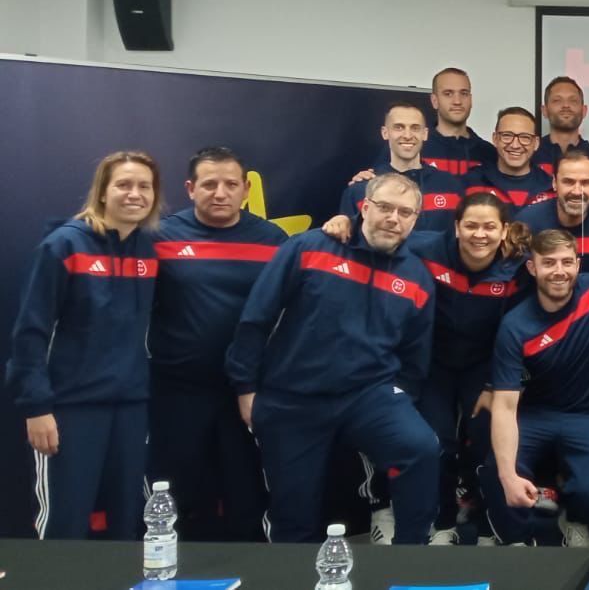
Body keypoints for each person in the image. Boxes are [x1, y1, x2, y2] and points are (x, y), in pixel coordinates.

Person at [228, 173, 440, 544]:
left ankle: (411, 554)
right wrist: (245, 387)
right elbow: (256, 317)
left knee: (420, 447)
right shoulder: (311, 247)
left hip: (368, 397)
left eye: (405, 213)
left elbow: (414, 355)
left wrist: (399, 398)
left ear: (415, 220)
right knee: (294, 513)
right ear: (365, 207)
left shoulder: (417, 278)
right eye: (386, 208)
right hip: (293, 397)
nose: (394, 218)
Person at [10, 151, 162, 539]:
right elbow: (31, 331)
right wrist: (37, 406)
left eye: (144, 186)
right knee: (66, 519)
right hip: (69, 407)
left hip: (130, 406)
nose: (134, 194)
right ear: (102, 191)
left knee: (128, 519)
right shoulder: (64, 245)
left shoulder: (148, 250)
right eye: (123, 185)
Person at [148, 147, 286, 542]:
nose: (220, 193)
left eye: (230, 184)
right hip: (178, 389)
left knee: (247, 494)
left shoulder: (273, 239)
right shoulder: (161, 236)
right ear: (190, 189)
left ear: (245, 188)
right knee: (181, 494)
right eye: (209, 184)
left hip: (249, 390)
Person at [406, 194, 532, 545]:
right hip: (433, 366)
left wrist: (495, 384)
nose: (481, 234)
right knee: (438, 443)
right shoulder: (426, 249)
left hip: (483, 367)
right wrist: (342, 225)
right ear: (457, 228)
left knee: (485, 443)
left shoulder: (515, 268)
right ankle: (444, 523)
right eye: (472, 226)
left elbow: (516, 332)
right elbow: (377, 233)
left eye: (490, 226)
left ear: (503, 230)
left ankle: (490, 525)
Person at [482, 230, 589, 549]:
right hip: (534, 415)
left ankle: (576, 520)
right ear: (532, 268)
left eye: (567, 262)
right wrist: (506, 474)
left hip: (587, 414)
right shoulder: (515, 326)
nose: (559, 271)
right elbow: (505, 407)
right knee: (498, 472)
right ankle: (518, 541)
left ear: (578, 265)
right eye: (549, 262)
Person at [338, 102, 465, 233]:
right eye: (399, 127)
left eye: (415, 128)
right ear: (385, 133)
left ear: (425, 134)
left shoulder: (450, 186)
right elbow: (348, 246)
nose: (408, 135)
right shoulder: (360, 189)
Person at [515, 151, 589, 274]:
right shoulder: (528, 222)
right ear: (554, 183)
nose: (577, 191)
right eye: (568, 182)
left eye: (585, 183)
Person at [462, 107, 554, 207]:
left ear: (536, 143)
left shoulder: (551, 187)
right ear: (495, 139)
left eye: (524, 137)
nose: (515, 145)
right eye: (507, 136)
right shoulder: (472, 182)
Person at [416, 67, 497, 176]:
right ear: (434, 101)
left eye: (464, 93)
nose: (457, 101)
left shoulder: (489, 153)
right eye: (448, 94)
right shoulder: (416, 148)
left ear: (471, 100)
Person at [531, 76, 589, 176]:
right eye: (557, 100)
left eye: (573, 100)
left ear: (584, 111)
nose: (566, 105)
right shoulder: (529, 157)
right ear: (544, 110)